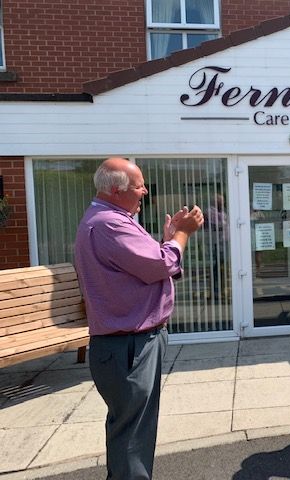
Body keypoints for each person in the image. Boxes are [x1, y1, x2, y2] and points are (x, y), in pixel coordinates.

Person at [74, 157, 204, 479]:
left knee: (130, 432)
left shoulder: (114, 219)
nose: (144, 191)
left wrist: (169, 239)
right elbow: (161, 265)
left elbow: (149, 267)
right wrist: (181, 236)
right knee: (133, 437)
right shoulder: (109, 224)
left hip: (128, 344)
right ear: (117, 189)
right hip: (129, 346)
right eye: (139, 185)